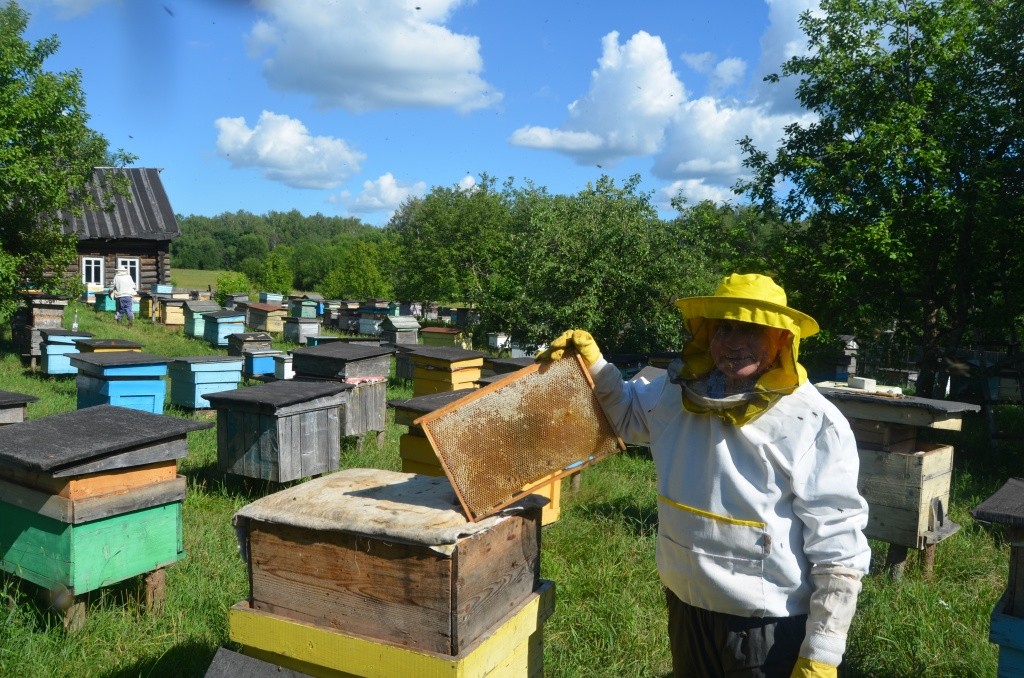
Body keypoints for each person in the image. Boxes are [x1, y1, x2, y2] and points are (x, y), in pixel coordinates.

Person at [537, 273, 870, 678]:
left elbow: (839, 547)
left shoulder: (813, 421)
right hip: (686, 601)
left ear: (782, 339)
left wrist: (823, 651)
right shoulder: (673, 394)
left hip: (766, 623)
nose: (733, 342)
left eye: (752, 330)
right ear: (706, 333)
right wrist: (596, 365)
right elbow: (624, 416)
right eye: (724, 327)